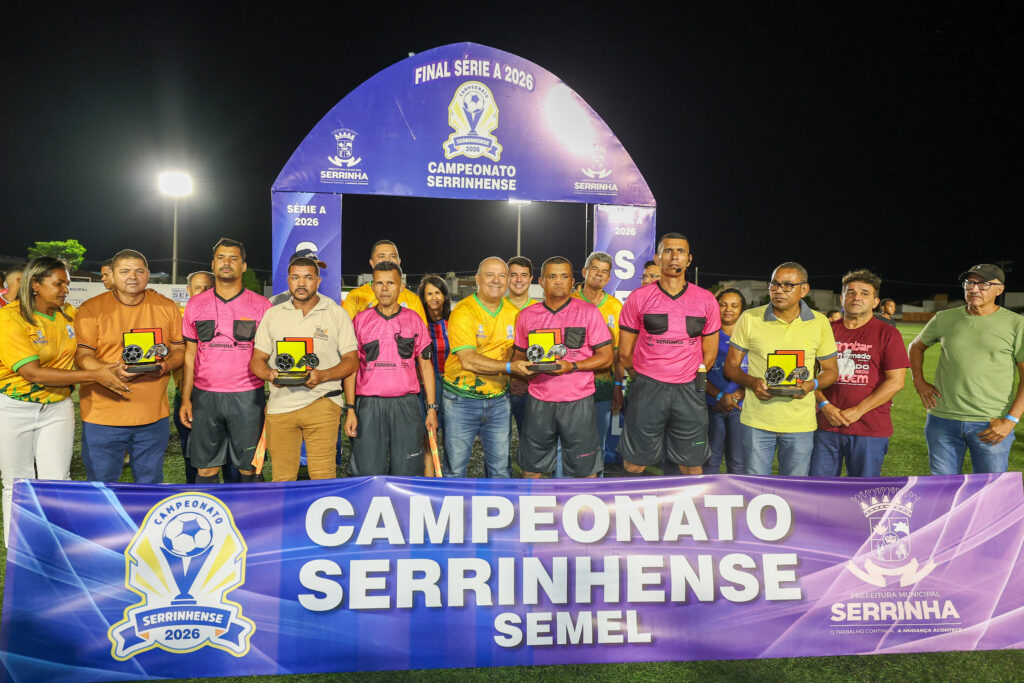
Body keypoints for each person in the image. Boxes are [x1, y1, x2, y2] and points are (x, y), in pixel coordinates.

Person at [0, 257, 127, 544]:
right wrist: (95, 376)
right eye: (58, 284)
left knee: (57, 481)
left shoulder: (69, 313)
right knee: (17, 483)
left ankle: (56, 547)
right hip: (13, 408)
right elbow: (33, 373)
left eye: (67, 284)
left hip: (58, 407)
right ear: (35, 284)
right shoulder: (9, 318)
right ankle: (19, 550)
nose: (65, 290)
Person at [74, 249, 184, 483]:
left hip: (152, 417)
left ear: (148, 274)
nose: (132, 277)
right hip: (103, 416)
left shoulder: (167, 307)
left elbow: (179, 350)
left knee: (150, 485)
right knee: (102, 487)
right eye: (124, 271)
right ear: (112, 275)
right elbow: (82, 355)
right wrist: (106, 372)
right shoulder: (90, 309)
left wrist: (165, 366)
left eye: (139, 271)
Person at [617, 233, 721, 475]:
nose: (675, 256)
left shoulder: (706, 299)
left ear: (689, 259)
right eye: (668, 251)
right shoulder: (638, 298)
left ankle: (688, 503)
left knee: (692, 465)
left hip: (689, 390)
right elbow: (625, 352)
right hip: (647, 388)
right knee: (634, 464)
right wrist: (643, 377)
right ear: (658, 258)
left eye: (681, 251)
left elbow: (710, 354)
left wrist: (693, 381)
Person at [724, 262, 839, 476]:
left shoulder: (820, 323)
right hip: (757, 420)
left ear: (804, 289)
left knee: (794, 489)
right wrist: (752, 382)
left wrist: (811, 385)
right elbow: (731, 367)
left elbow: (831, 371)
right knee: (756, 488)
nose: (778, 290)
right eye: (774, 284)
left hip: (800, 423)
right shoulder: (749, 318)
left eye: (787, 285)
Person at [909, 264, 1024, 475]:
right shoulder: (944, 318)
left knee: (988, 489)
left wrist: (1011, 420)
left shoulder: (1017, 324)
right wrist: (919, 381)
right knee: (943, 488)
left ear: (1000, 289)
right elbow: (916, 347)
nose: (974, 288)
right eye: (969, 283)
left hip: (991, 422)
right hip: (942, 420)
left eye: (983, 284)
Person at [252, 257, 358, 481]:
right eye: (296, 277)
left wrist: (323, 375)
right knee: (282, 478)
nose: (301, 283)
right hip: (281, 405)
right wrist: (271, 375)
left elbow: (352, 361)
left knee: (323, 477)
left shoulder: (336, 313)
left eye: (308, 277)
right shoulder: (273, 314)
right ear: (288, 280)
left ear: (318, 281)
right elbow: (256, 360)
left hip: (322, 402)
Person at [180, 238, 272, 484]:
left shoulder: (262, 306)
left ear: (243, 266)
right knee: (206, 468)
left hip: (248, 397)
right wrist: (187, 398)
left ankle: (250, 510)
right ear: (213, 264)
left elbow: (270, 357)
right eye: (221, 257)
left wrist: (270, 398)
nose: (226, 263)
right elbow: (190, 355)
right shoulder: (195, 305)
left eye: (233, 258)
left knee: (250, 468)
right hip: (205, 397)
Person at [512, 257, 612, 478]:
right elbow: (519, 356)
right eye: (552, 276)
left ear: (572, 281)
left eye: (564, 276)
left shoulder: (589, 312)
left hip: (579, 402)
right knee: (531, 470)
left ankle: (584, 503)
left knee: (585, 471)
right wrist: (524, 373)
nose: (558, 281)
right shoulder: (527, 315)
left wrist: (573, 366)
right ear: (541, 281)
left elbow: (606, 358)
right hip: (539, 400)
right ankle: (534, 502)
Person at [810, 270, 909, 477]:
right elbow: (808, 375)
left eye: (864, 293)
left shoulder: (888, 333)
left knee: (863, 493)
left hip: (869, 427)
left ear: (875, 302)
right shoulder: (825, 330)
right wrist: (825, 405)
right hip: (825, 424)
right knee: (819, 489)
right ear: (842, 298)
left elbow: (896, 381)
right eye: (851, 292)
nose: (856, 297)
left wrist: (858, 410)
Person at [344, 261, 436, 475]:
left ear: (401, 286)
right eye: (379, 283)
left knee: (407, 471)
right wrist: (350, 409)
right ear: (373, 286)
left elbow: (426, 365)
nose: (384, 288)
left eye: (390, 283)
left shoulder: (413, 319)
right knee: (367, 471)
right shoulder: (360, 320)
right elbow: (351, 368)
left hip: (406, 404)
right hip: (369, 405)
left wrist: (431, 408)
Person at [442, 257, 520, 478]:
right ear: (477, 279)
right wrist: (511, 367)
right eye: (489, 275)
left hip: (499, 400)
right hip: (461, 400)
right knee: (455, 470)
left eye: (502, 275)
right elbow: (468, 360)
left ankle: (498, 501)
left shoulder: (515, 313)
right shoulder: (463, 311)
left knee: (500, 470)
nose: (496, 280)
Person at [573, 251, 625, 470]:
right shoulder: (569, 301)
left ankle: (595, 486)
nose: (599, 274)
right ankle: (566, 487)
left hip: (603, 387)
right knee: (570, 443)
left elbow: (618, 353)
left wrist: (617, 386)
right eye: (595, 269)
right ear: (585, 271)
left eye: (604, 271)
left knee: (598, 445)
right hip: (572, 386)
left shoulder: (615, 306)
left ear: (609, 277)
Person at [170, 270, 214, 483]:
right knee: (192, 453)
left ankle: (230, 497)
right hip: (187, 394)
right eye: (197, 288)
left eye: (208, 287)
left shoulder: (225, 314)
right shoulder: (178, 317)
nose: (203, 292)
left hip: (221, 393)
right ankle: (195, 492)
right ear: (188, 290)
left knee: (226, 455)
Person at [703, 288, 748, 474]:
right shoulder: (706, 335)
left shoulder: (750, 336)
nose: (728, 309)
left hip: (741, 408)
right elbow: (697, 375)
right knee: (709, 462)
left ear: (742, 309)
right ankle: (707, 494)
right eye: (723, 305)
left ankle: (739, 494)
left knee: (738, 463)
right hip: (712, 406)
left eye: (734, 305)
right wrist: (720, 396)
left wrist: (742, 393)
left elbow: (760, 370)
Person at [342, 240, 427, 323]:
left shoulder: (413, 299)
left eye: (393, 256)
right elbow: (345, 330)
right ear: (372, 263)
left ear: (399, 261)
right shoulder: (355, 297)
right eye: (381, 256)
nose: (387, 260)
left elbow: (421, 330)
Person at [417, 274, 452, 476]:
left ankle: (448, 478)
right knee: (428, 433)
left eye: (437, 292)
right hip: (428, 383)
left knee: (452, 435)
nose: (433, 297)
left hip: (451, 382)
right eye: (429, 293)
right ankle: (429, 479)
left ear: (444, 295)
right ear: (423, 297)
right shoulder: (419, 322)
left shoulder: (454, 320)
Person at [505, 256, 535, 472]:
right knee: (498, 446)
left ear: (531, 278)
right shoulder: (496, 307)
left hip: (530, 388)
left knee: (531, 442)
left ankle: (528, 485)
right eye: (513, 275)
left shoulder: (540, 309)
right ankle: (499, 485)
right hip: (500, 388)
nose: (518, 280)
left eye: (523, 275)